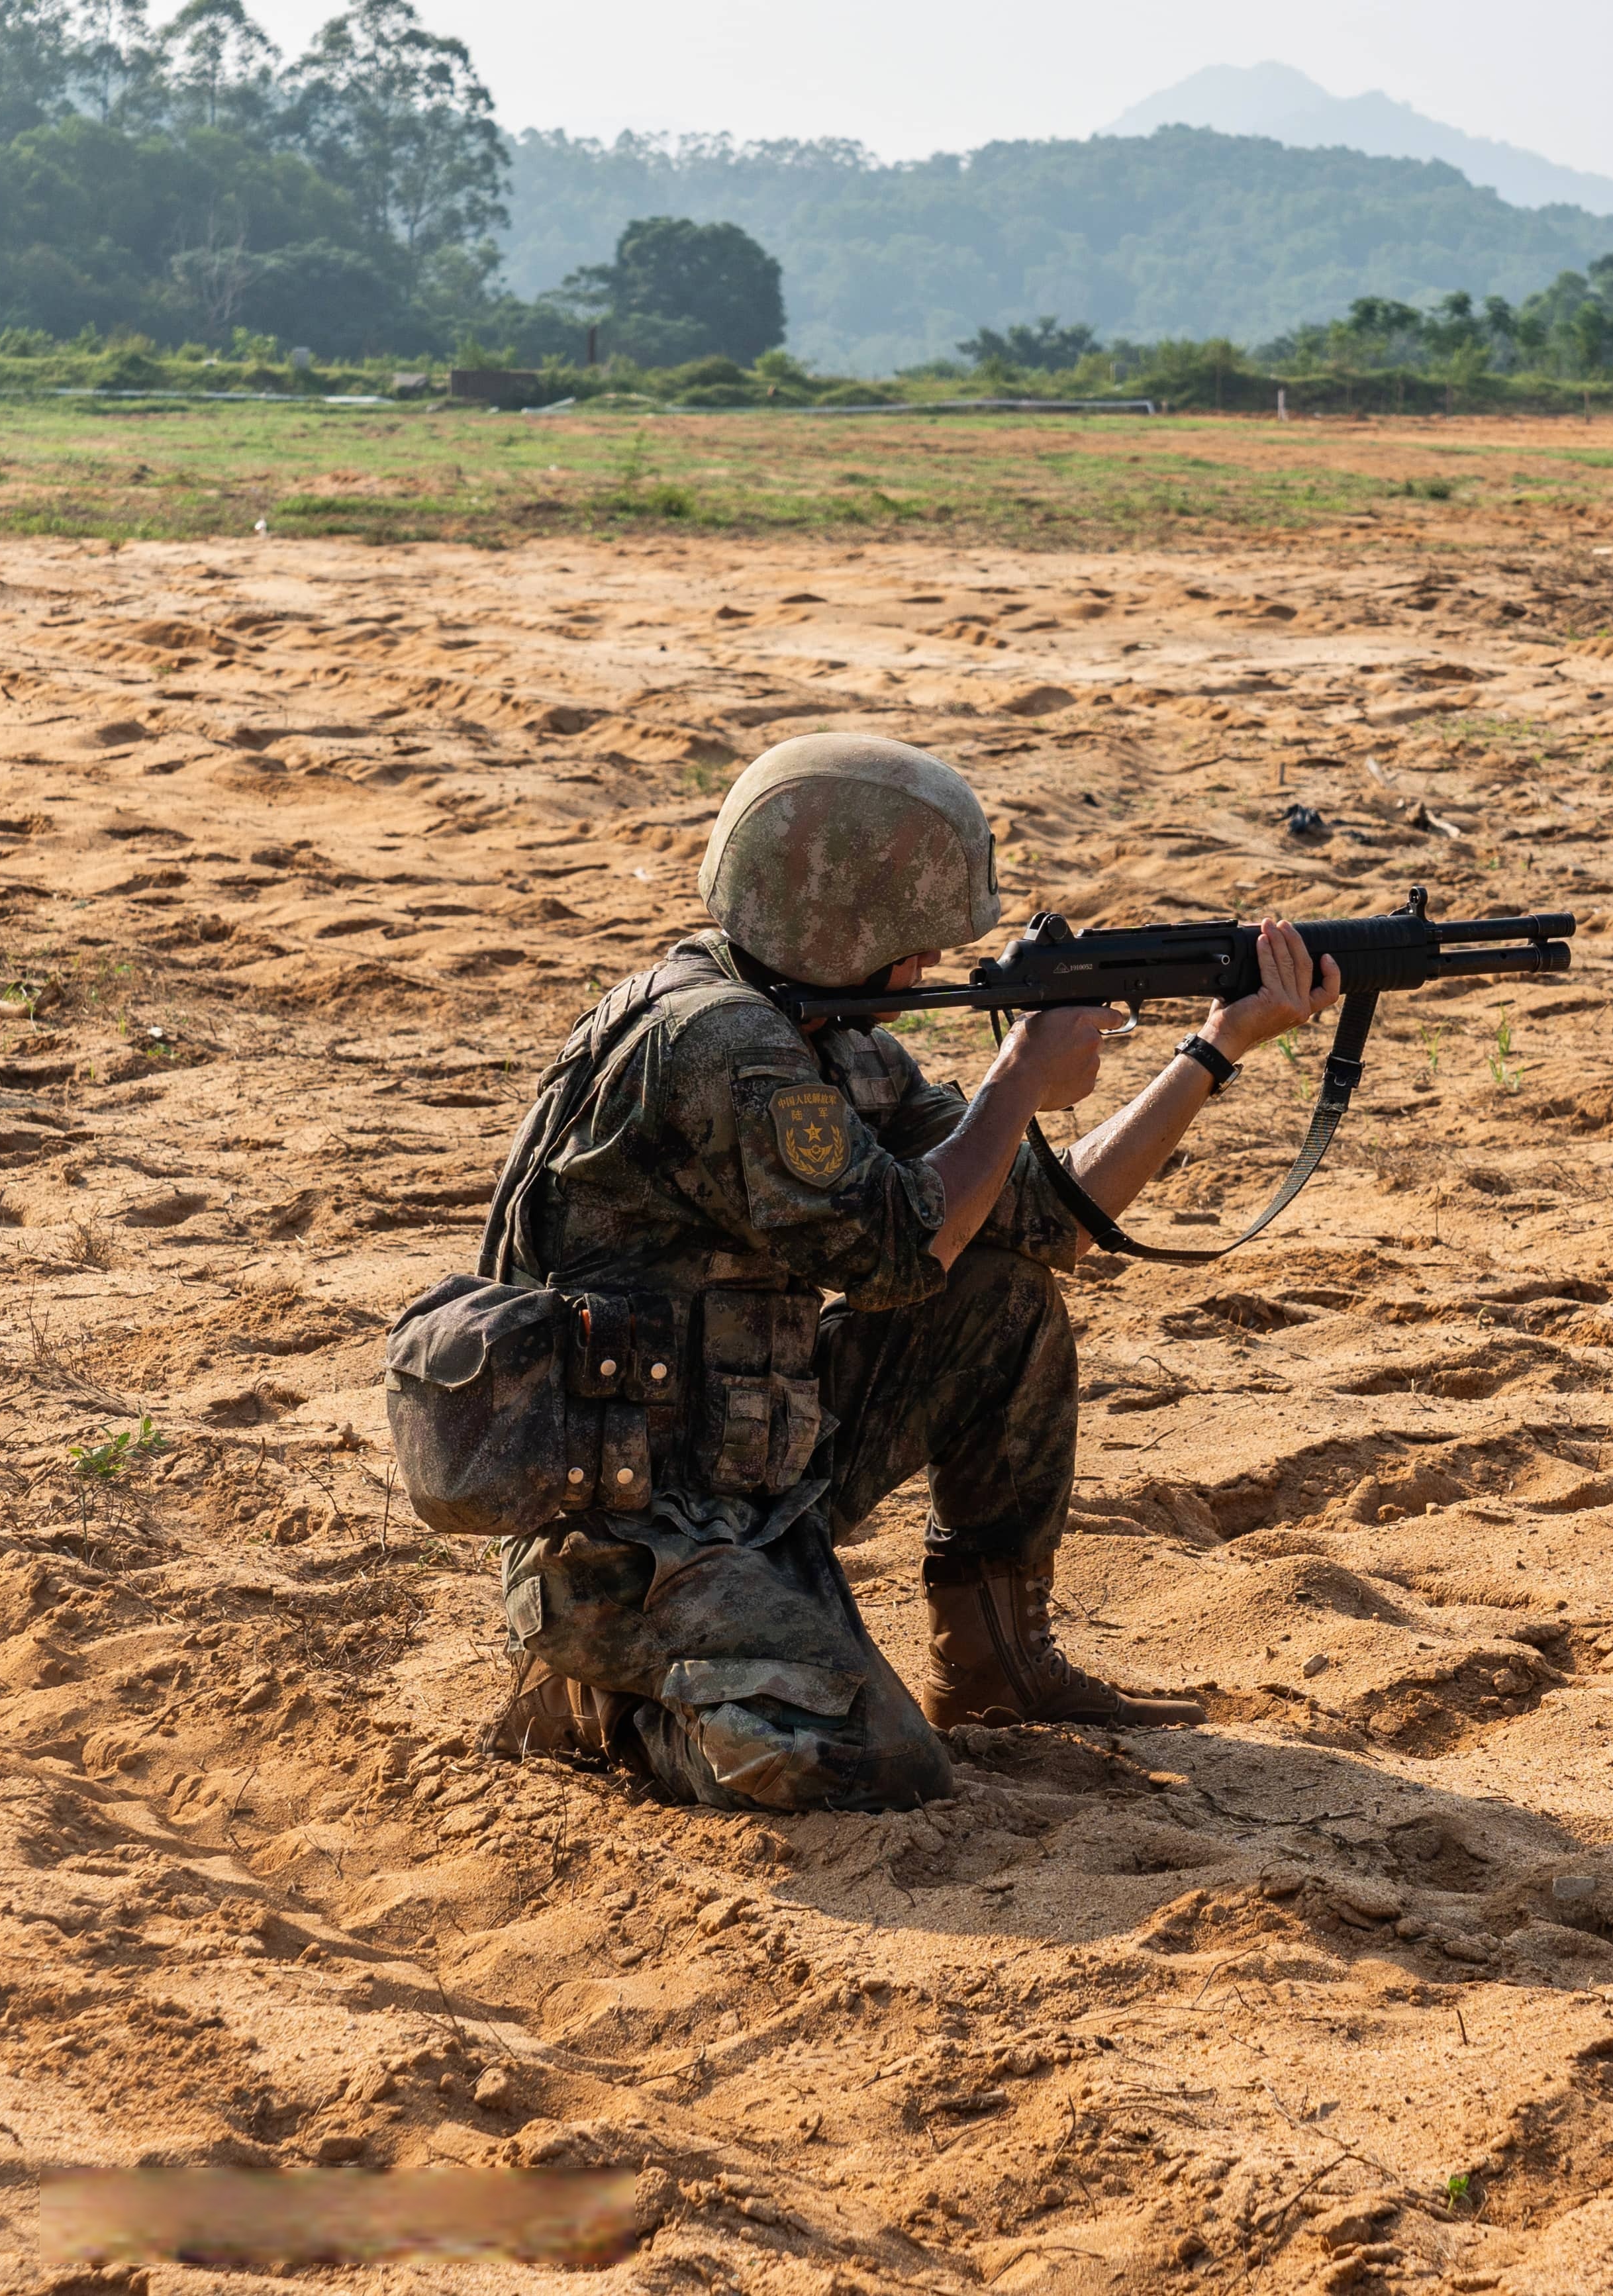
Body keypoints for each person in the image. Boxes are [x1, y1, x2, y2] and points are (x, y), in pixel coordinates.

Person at [469, 732, 1342, 1811]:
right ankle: (609, 1708)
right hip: (624, 1535)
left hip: (743, 1473)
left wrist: (1217, 1046)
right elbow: (893, 1254)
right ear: (848, 925)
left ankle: (993, 1669)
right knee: (873, 1763)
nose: (931, 968)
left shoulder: (826, 1036)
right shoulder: (719, 1044)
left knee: (1004, 1294)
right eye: (919, 942)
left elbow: (1044, 1220)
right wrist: (1020, 1075)